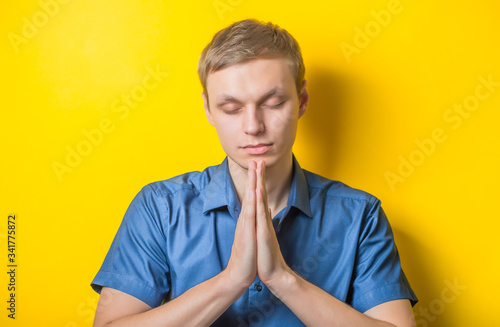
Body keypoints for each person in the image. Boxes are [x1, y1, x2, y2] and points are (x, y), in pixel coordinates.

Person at [91, 18, 418, 326]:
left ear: (301, 101)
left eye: (273, 103)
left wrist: (282, 279)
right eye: (231, 108)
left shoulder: (360, 215)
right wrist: (231, 281)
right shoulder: (159, 208)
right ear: (208, 110)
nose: (253, 127)